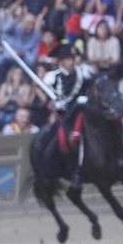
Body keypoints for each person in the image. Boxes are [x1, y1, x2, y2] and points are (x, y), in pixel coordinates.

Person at [43, 43, 93, 189]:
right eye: (68, 59)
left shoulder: (83, 73)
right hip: (62, 115)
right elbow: (47, 101)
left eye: (73, 58)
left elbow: (90, 90)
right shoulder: (52, 77)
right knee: (52, 139)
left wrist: (85, 99)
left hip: (81, 112)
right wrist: (53, 105)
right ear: (61, 61)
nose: (72, 61)